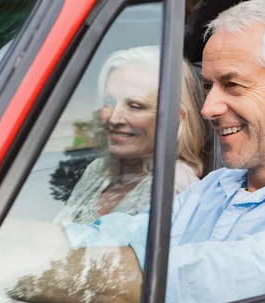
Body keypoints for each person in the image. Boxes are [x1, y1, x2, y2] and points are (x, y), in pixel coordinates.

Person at [1, 0, 265, 303]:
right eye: (208, 86)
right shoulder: (214, 189)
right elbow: (108, 238)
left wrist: (0, 264)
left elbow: (195, 282)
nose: (208, 108)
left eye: (233, 85)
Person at [54, 46, 206, 224]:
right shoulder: (98, 170)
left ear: (174, 118)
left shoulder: (174, 186)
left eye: (135, 106)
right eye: (109, 102)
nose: (114, 118)